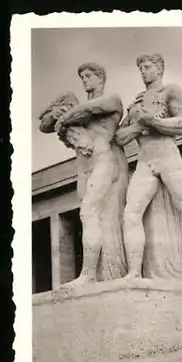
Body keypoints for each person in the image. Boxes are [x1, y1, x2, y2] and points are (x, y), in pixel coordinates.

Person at [115, 54, 182, 283]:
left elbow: (181, 124)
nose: (143, 72)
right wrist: (140, 125)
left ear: (159, 68)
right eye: (140, 68)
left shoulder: (170, 91)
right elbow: (120, 138)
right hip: (145, 160)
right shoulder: (136, 102)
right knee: (131, 214)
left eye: (147, 67)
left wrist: (153, 122)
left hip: (167, 156)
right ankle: (134, 272)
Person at [40, 62, 129, 286]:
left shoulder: (111, 100)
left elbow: (89, 110)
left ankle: (87, 275)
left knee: (89, 214)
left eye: (89, 76)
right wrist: (57, 115)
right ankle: (97, 273)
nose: (85, 81)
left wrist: (63, 117)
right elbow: (43, 125)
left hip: (103, 161)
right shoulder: (75, 108)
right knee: (90, 218)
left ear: (101, 78)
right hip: (84, 167)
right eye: (82, 77)